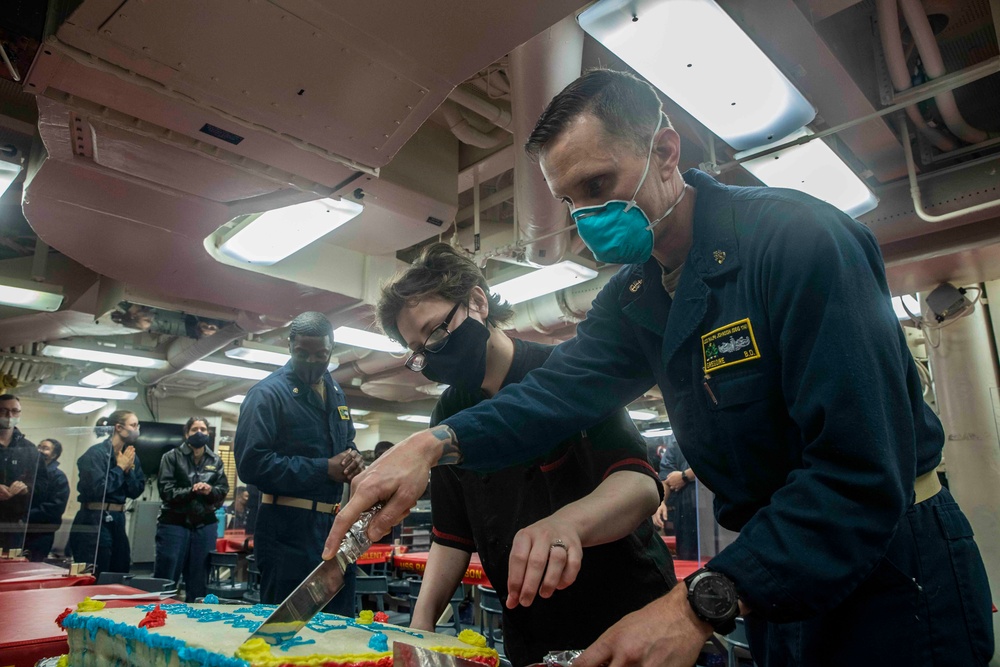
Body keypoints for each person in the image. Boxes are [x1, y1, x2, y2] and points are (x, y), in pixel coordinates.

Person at [330, 69, 995, 667]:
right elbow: (557, 392)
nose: (589, 218)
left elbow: (857, 477)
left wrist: (693, 605)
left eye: (599, 185)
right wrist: (435, 443)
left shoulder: (798, 243)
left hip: (889, 568)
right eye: (571, 202)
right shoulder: (637, 297)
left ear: (667, 151)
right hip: (776, 575)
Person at [377, 243, 675, 664]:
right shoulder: (448, 413)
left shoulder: (565, 373)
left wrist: (567, 523)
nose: (430, 355)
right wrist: (420, 627)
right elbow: (451, 536)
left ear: (477, 301)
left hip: (623, 608)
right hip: (529, 628)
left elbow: (640, 484)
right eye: (419, 351)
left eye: (436, 333)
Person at [235, 311, 364, 615]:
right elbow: (251, 464)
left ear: (331, 349)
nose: (311, 362)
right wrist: (324, 468)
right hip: (286, 530)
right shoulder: (267, 395)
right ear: (290, 346)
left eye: (321, 354)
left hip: (334, 527)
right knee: (287, 631)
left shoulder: (336, 391)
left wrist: (352, 458)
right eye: (302, 353)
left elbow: (346, 442)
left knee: (340, 625)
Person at [153, 417, 229, 601]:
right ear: (187, 433)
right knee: (167, 576)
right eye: (195, 429)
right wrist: (193, 491)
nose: (199, 433)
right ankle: (157, 615)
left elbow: (222, 491)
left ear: (208, 433)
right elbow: (166, 491)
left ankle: (195, 622)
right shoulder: (171, 457)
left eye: (203, 429)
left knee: (199, 578)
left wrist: (209, 490)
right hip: (174, 524)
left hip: (205, 525)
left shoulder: (215, 460)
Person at [69, 410, 145, 575]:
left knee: (120, 569)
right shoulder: (95, 454)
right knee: (96, 571)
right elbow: (97, 489)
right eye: (133, 425)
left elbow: (136, 490)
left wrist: (127, 471)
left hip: (117, 519)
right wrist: (119, 468)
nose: (137, 429)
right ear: (118, 427)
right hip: (93, 518)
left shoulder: (130, 456)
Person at [0, 394, 47, 551]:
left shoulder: (29, 448)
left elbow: (43, 484)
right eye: (4, 411)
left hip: (14, 524)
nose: (9, 416)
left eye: (15, 411)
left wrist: (26, 488)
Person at [25, 438, 70, 561]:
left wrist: (26, 514)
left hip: (41, 532)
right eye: (39, 446)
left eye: (45, 448)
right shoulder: (28, 471)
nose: (40, 450)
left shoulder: (59, 477)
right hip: (20, 529)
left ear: (54, 455)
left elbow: (55, 507)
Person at [657, 436, 698, 561]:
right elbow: (667, 477)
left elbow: (720, 461)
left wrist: (686, 476)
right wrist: (661, 502)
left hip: (714, 510)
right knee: (688, 556)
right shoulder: (677, 438)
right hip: (686, 514)